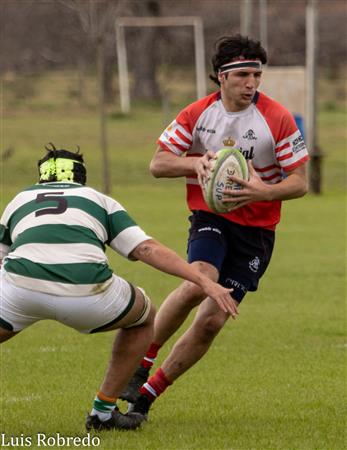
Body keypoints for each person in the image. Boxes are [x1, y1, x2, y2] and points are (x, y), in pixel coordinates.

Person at [120, 34, 309, 419]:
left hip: (257, 233)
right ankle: (141, 361)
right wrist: (195, 163)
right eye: (242, 75)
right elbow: (158, 164)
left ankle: (145, 398)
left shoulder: (277, 117)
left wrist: (263, 191)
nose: (251, 83)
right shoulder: (197, 114)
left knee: (210, 322)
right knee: (197, 281)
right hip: (211, 217)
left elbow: (300, 182)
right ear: (220, 77)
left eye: (256, 75)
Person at [0, 144, 238, 432]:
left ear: (42, 176)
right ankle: (103, 412)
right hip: (87, 292)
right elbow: (146, 249)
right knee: (144, 318)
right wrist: (204, 281)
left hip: (19, 287)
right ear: (80, 176)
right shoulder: (98, 200)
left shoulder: (20, 199)